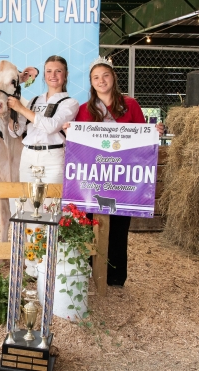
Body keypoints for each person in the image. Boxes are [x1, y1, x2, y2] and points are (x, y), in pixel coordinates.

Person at [72, 56, 163, 286]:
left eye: (105, 75)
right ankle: (90, 271)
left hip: (123, 177)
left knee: (120, 226)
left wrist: (154, 131)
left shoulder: (130, 105)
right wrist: (69, 130)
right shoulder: (84, 110)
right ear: (91, 83)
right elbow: (79, 144)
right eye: (96, 78)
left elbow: (143, 136)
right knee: (91, 223)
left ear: (113, 77)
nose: (101, 81)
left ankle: (115, 276)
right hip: (95, 178)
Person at [6, 55, 79, 184]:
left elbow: (51, 126)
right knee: (26, 201)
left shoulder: (70, 103)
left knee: (51, 203)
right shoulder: (34, 101)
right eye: (49, 71)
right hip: (28, 155)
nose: (53, 75)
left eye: (58, 71)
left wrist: (21, 108)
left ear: (66, 74)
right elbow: (16, 132)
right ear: (44, 75)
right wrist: (12, 112)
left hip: (53, 157)